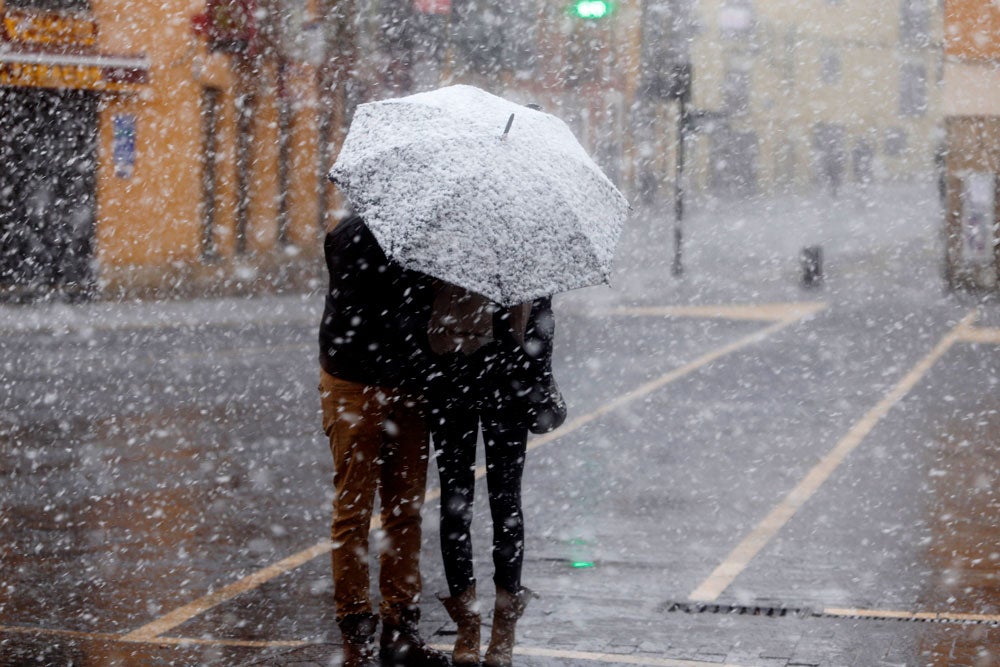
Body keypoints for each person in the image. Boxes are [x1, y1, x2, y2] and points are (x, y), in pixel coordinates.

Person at [318, 215, 449, 667]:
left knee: (389, 510)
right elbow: (381, 313)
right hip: (366, 381)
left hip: (383, 381)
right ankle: (367, 624)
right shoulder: (366, 236)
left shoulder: (350, 233)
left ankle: (389, 626)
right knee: (375, 509)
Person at [426, 284, 563, 667]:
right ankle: (467, 626)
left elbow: (542, 325)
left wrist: (535, 382)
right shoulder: (443, 248)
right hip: (451, 378)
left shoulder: (529, 252)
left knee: (505, 503)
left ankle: (504, 629)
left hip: (509, 384)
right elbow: (420, 312)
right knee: (455, 505)